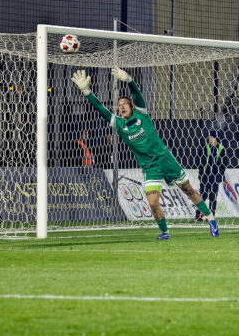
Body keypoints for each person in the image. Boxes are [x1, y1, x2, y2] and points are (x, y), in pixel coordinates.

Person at [71, 67, 219, 239]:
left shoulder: (142, 114)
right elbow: (100, 108)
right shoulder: (119, 124)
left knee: (188, 190)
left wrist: (129, 80)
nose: (121, 107)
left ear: (131, 106)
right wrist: (86, 91)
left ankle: (211, 219)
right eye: (119, 105)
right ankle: (165, 232)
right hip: (150, 167)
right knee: (153, 204)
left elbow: (136, 94)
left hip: (165, 159)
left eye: (124, 104)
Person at [196, 130, 228, 221]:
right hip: (205, 176)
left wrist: (219, 174)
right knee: (203, 196)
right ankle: (198, 214)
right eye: (209, 137)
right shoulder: (205, 148)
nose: (210, 139)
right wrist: (201, 172)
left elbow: (224, 163)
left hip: (215, 177)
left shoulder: (221, 149)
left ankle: (211, 216)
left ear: (216, 138)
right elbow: (199, 160)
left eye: (212, 137)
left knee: (213, 197)